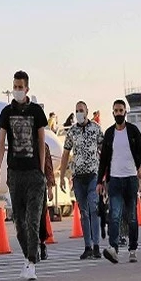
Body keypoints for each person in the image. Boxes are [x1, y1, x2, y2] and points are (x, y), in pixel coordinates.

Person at [0, 70, 48, 281]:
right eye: (14, 86)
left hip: (34, 173)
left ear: (27, 88)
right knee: (19, 221)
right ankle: (27, 257)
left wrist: (42, 171)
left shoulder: (36, 112)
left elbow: (41, 143)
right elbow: (1, 144)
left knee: (33, 219)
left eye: (20, 87)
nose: (17, 90)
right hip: (15, 173)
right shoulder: (6, 113)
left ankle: (32, 262)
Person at [98, 99, 141, 264]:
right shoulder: (109, 133)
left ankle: (132, 249)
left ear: (125, 112)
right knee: (114, 216)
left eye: (121, 110)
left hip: (131, 179)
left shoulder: (133, 131)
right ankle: (113, 249)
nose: (118, 113)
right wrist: (100, 181)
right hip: (115, 180)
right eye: (116, 111)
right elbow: (104, 159)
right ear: (112, 113)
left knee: (132, 217)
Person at [59, 101, 104, 259]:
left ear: (87, 111)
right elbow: (65, 154)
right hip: (78, 176)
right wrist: (63, 175)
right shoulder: (71, 132)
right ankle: (88, 246)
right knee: (83, 212)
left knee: (93, 208)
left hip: (93, 174)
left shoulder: (96, 129)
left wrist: (105, 174)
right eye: (76, 110)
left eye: (81, 110)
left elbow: (104, 151)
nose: (79, 113)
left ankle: (97, 245)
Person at [38, 142, 56, 260]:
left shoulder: (43, 145)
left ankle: (42, 244)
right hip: (25, 186)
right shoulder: (21, 142)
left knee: (41, 217)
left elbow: (48, 166)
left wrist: (49, 188)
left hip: (39, 185)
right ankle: (33, 248)